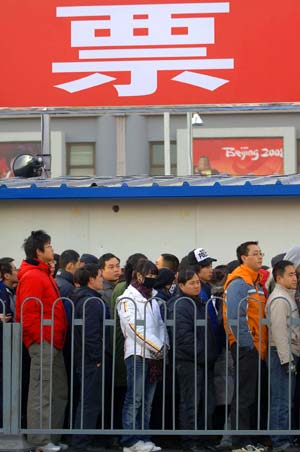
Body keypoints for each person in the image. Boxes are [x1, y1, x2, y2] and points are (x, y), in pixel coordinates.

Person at [15, 230, 68, 452]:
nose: (52, 249)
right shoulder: (33, 276)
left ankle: (51, 438)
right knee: (41, 390)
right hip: (44, 342)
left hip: (52, 341)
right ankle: (39, 441)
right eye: (49, 246)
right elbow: (28, 314)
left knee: (57, 390)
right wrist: (40, 340)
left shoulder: (42, 273)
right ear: (38, 251)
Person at [117, 259, 168, 452]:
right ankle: (130, 440)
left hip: (154, 356)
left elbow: (160, 325)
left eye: (155, 275)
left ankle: (144, 437)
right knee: (135, 399)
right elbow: (133, 328)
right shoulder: (127, 299)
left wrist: (163, 345)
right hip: (137, 354)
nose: (153, 279)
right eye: (150, 275)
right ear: (139, 275)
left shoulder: (154, 297)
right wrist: (157, 346)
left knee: (147, 401)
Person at [223, 241, 268, 452]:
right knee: (244, 395)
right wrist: (247, 344)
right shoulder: (239, 282)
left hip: (257, 347)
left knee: (252, 395)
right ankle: (239, 442)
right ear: (244, 257)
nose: (260, 257)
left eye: (261, 253)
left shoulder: (254, 282)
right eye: (255, 254)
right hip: (246, 347)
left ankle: (249, 439)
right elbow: (234, 316)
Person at [168, 268, 217, 452]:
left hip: (203, 360)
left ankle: (203, 439)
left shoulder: (198, 302)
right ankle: (191, 440)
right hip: (189, 361)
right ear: (181, 285)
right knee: (191, 402)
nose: (197, 285)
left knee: (206, 402)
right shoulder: (181, 304)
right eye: (192, 283)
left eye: (198, 282)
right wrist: (203, 354)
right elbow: (182, 338)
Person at [70, 264, 111, 452]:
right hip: (90, 360)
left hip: (84, 357)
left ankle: (83, 440)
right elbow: (91, 333)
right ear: (91, 279)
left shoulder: (83, 298)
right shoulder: (91, 302)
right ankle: (81, 443)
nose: (102, 279)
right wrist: (97, 357)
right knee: (90, 402)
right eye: (100, 276)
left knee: (88, 401)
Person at [266, 260, 300, 452]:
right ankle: (280, 441)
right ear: (279, 278)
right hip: (282, 355)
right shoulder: (280, 299)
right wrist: (287, 361)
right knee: (281, 400)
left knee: (285, 399)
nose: (294, 278)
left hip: (287, 353)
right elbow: (279, 333)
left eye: (295, 274)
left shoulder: (287, 296)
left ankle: (283, 438)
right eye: (290, 275)